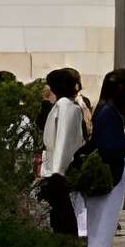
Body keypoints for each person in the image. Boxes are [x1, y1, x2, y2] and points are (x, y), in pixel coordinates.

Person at [77, 69, 125, 247]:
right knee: (104, 214)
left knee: (105, 214)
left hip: (112, 170)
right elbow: (110, 147)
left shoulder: (107, 110)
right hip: (110, 171)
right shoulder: (109, 112)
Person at [33, 67, 88, 238]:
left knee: (62, 212)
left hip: (58, 169)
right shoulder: (65, 106)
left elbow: (63, 140)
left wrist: (57, 171)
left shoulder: (65, 107)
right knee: (60, 213)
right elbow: (61, 139)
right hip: (58, 168)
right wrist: (57, 171)